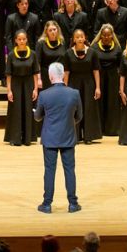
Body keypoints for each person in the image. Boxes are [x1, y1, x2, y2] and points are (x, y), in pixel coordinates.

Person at [35, 62, 83, 213]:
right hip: (68, 136)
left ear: (50, 76)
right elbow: (79, 116)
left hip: (50, 138)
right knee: (70, 170)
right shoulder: (74, 93)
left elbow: (37, 117)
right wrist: (68, 123)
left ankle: (47, 204)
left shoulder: (44, 95)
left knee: (49, 170)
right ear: (62, 75)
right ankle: (73, 204)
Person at [64, 29, 102, 144]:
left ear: (85, 38)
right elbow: (66, 73)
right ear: (74, 39)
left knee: (88, 108)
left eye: (81, 36)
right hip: (73, 84)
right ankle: (74, 136)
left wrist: (98, 87)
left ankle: (88, 136)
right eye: (77, 37)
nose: (80, 38)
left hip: (89, 84)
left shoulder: (92, 52)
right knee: (74, 109)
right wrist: (65, 88)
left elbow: (96, 71)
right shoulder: (68, 53)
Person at [4, 31, 41, 146]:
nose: (21, 41)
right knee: (16, 111)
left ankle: (27, 138)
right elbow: (8, 75)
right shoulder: (11, 55)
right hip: (15, 84)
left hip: (29, 84)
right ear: (15, 40)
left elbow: (35, 73)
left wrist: (35, 89)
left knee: (28, 110)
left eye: (24, 39)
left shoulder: (33, 54)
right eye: (19, 39)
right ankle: (15, 138)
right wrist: (9, 90)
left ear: (27, 40)